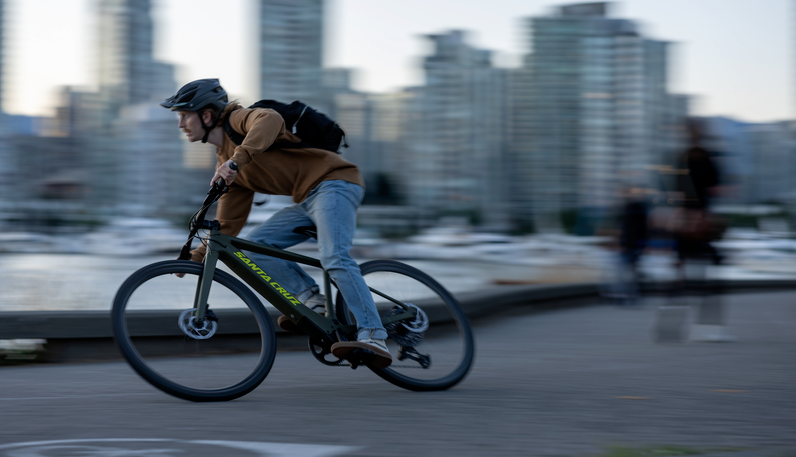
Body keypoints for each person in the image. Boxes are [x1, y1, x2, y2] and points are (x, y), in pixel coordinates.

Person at [160, 78, 392, 367]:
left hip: (336, 184)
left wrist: (236, 162)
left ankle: (373, 333)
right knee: (254, 248)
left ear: (206, 115)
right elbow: (228, 224)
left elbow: (269, 120)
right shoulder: (226, 158)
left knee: (334, 255)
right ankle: (314, 303)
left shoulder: (237, 119)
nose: (181, 123)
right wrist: (195, 258)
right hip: (308, 198)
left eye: (184, 115)